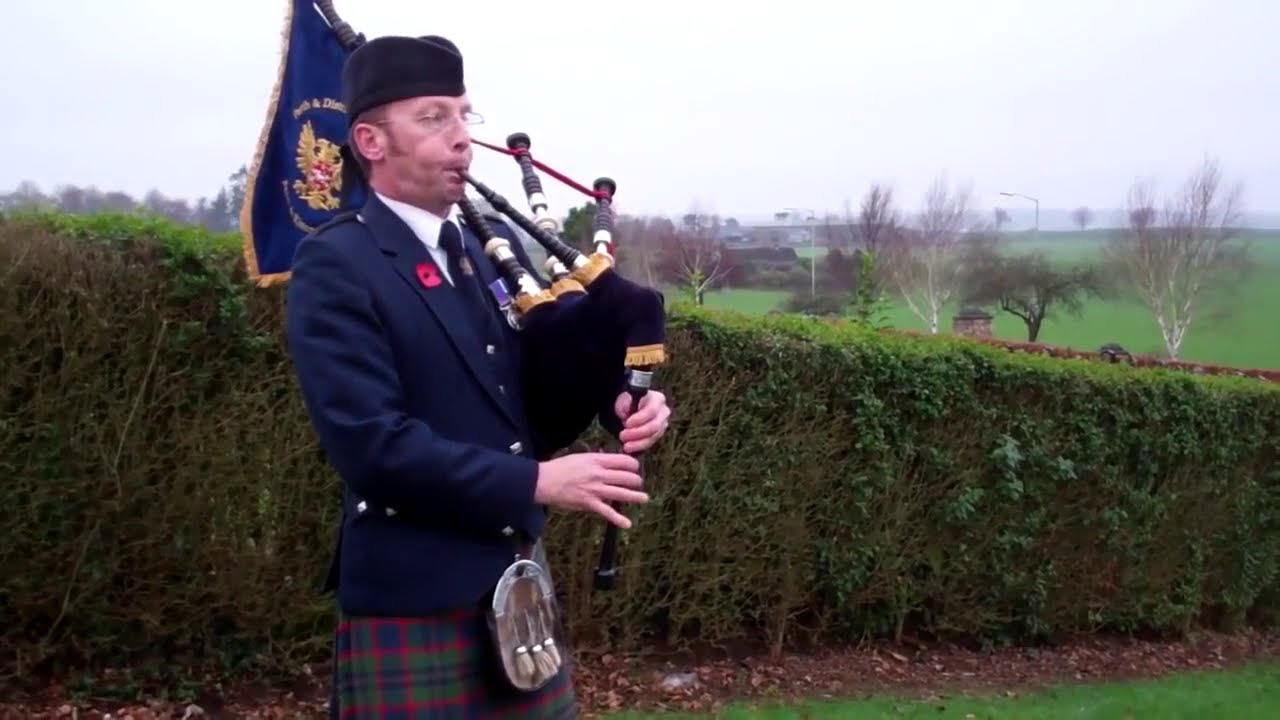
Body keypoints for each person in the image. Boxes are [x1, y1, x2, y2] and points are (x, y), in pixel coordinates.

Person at [283, 34, 671, 719]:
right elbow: (373, 447)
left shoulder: (473, 252)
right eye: (435, 118)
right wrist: (539, 482)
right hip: (413, 593)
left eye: (465, 116)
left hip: (513, 590)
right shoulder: (338, 263)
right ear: (371, 142)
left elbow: (517, 400)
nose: (462, 138)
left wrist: (618, 399)